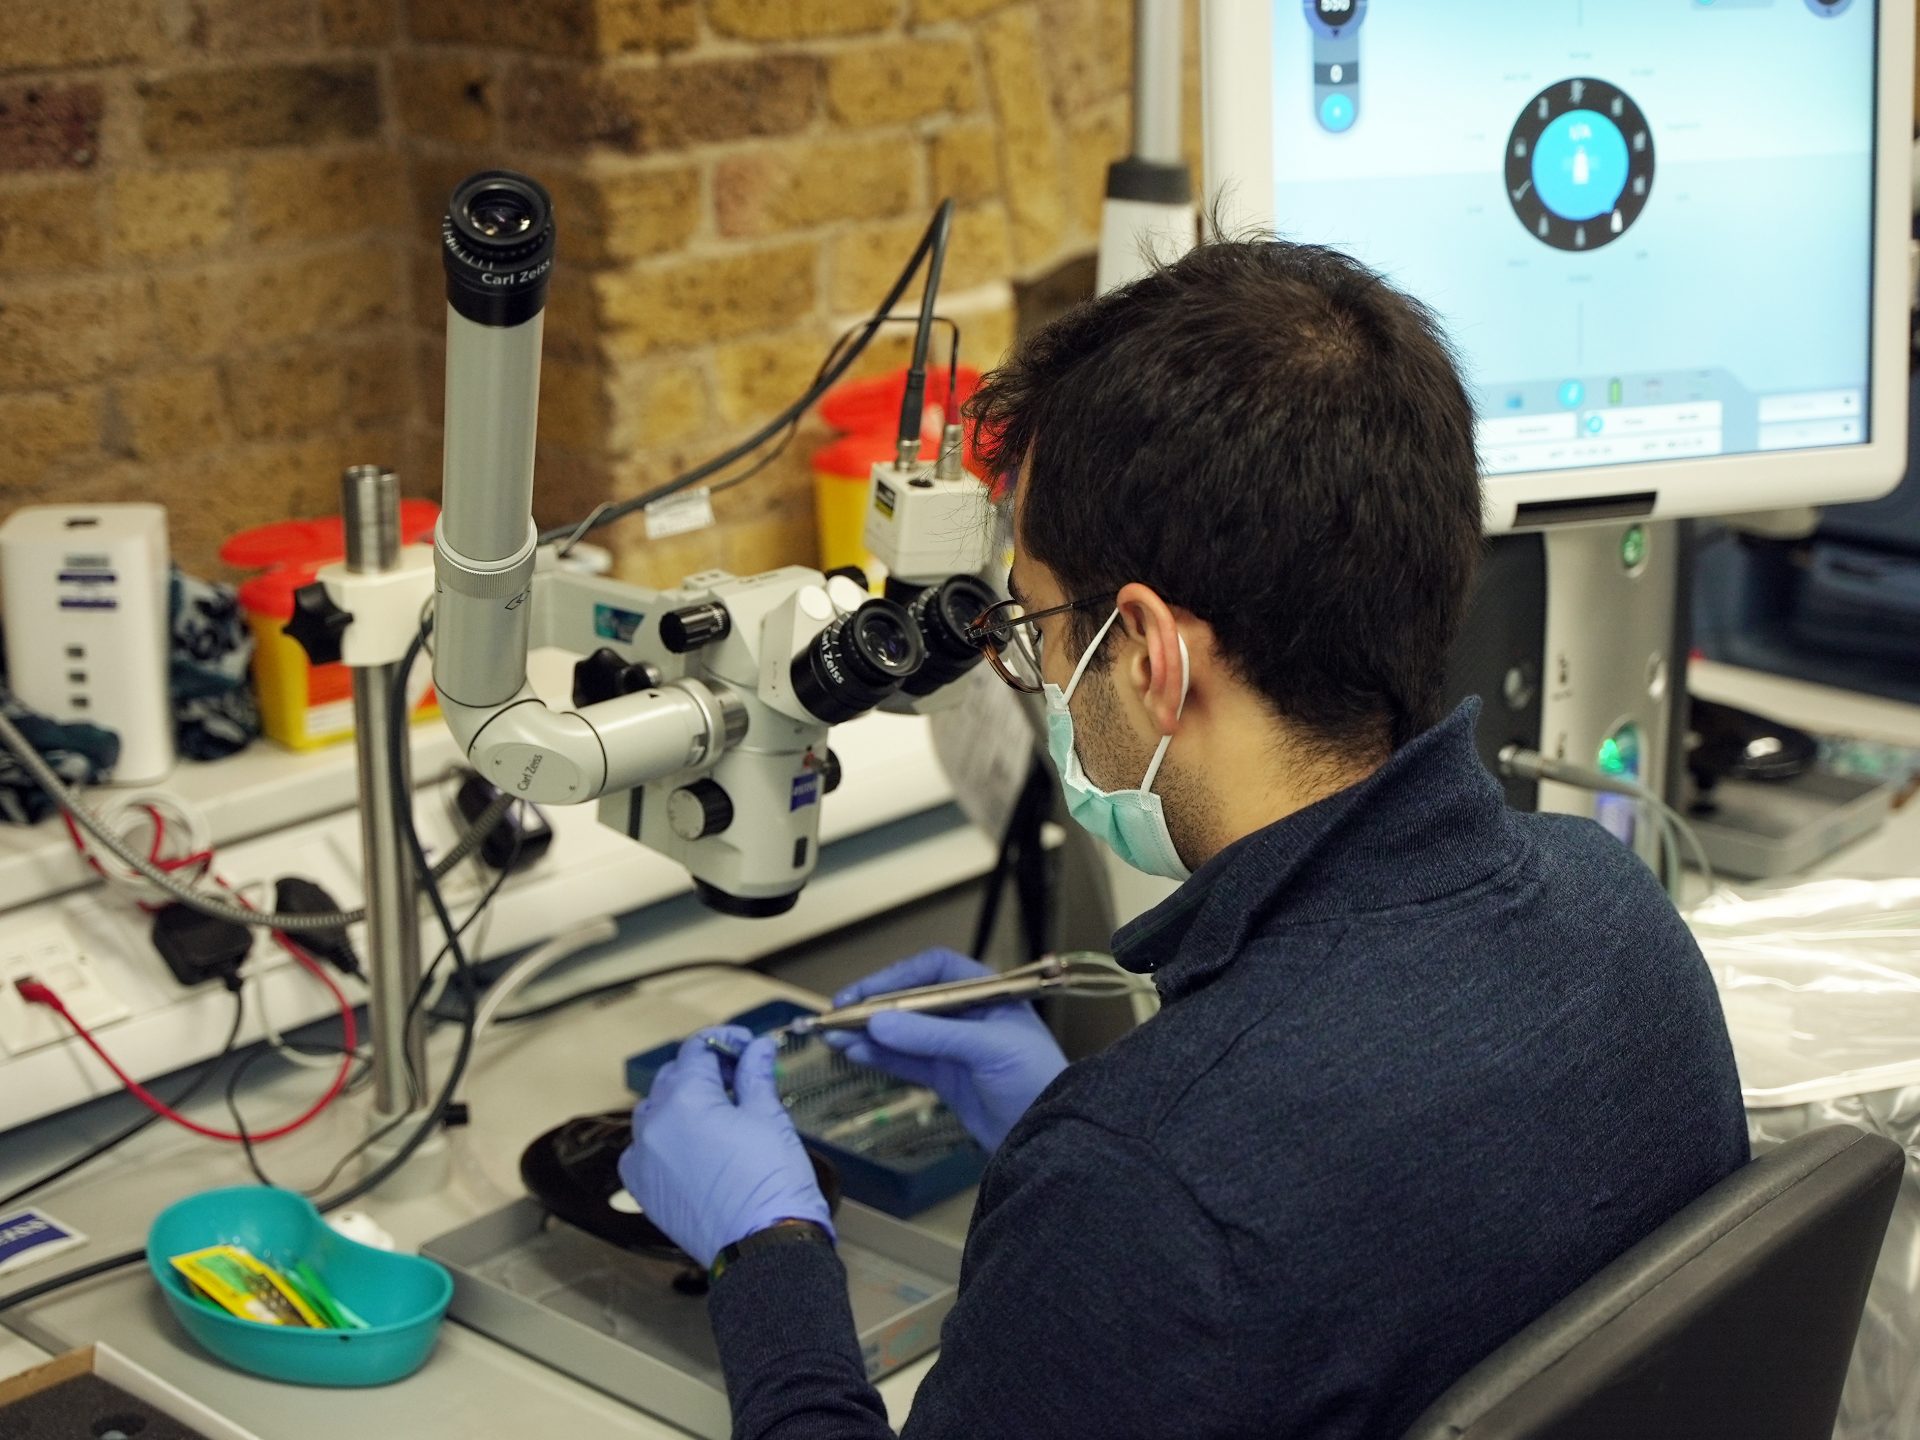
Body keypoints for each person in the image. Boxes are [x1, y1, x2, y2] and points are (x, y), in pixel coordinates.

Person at [621, 240, 1749, 1439]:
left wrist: (771, 1256)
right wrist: (1089, 1127)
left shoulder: (1142, 1194)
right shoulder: (1620, 915)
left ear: (1152, 655)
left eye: (1040, 625)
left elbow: (1228, 1212)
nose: (1035, 668)